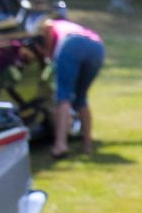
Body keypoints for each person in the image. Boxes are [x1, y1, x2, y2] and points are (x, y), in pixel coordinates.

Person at [36, 16, 105, 157]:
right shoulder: (72, 25)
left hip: (71, 45)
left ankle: (60, 145)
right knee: (81, 98)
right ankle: (87, 145)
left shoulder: (52, 24)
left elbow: (48, 30)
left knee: (63, 96)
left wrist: (47, 55)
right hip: (97, 47)